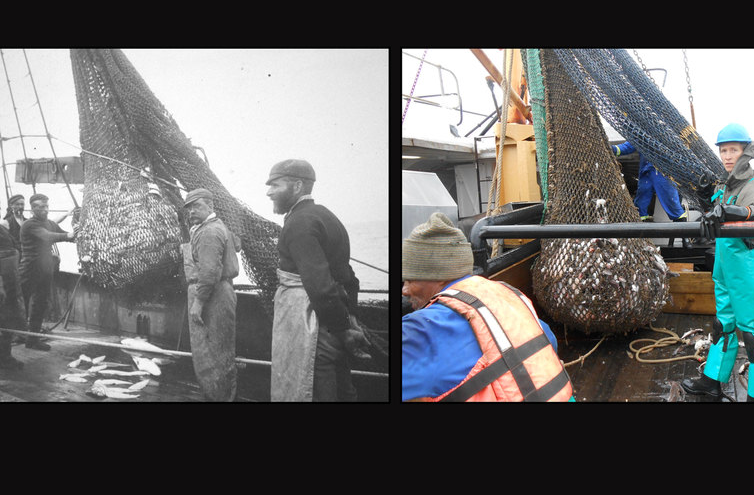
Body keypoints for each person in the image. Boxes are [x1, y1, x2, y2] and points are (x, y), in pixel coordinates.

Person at [402, 212, 573, 402]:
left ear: (439, 276)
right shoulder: (507, 292)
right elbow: (549, 339)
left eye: (409, 280)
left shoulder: (419, 329)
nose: (404, 290)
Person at [681, 123, 754, 402]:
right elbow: (715, 210)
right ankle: (712, 381)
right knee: (722, 325)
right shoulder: (724, 184)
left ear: (745, 151)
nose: (727, 156)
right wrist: (706, 200)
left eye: (733, 150)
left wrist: (735, 211)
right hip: (724, 267)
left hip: (747, 268)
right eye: (723, 150)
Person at [266, 158, 369, 402]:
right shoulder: (327, 217)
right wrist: (349, 319)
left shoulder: (299, 224)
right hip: (336, 323)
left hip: (316, 328)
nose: (269, 192)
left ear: (298, 186)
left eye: (275, 185)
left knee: (315, 391)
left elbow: (320, 286)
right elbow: (348, 278)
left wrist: (343, 329)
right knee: (344, 390)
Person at [182, 188, 240, 401]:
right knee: (219, 354)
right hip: (217, 291)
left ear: (210, 206)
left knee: (209, 358)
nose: (191, 212)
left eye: (196, 206)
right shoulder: (211, 227)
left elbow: (209, 271)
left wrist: (198, 302)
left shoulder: (209, 231)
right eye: (189, 208)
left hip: (211, 294)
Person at [19, 193, 75, 351]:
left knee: (40, 305)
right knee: (19, 303)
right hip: (29, 270)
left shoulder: (49, 223)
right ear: (33, 208)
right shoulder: (29, 225)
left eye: (46, 206)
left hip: (45, 270)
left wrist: (78, 235)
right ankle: (8, 339)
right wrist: (68, 235)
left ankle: (32, 340)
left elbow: (64, 234)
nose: (45, 210)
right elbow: (47, 236)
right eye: (40, 207)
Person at [611, 141, 688, 222]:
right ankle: (641, 226)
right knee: (641, 201)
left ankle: (682, 228)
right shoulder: (639, 135)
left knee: (670, 200)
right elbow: (628, 146)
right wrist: (613, 149)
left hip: (663, 172)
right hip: (646, 172)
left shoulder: (665, 135)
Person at [0, 206, 25, 370]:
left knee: (7, 320)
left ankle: (5, 357)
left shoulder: (3, 230)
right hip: (2, 284)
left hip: (10, 283)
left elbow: (15, 248)